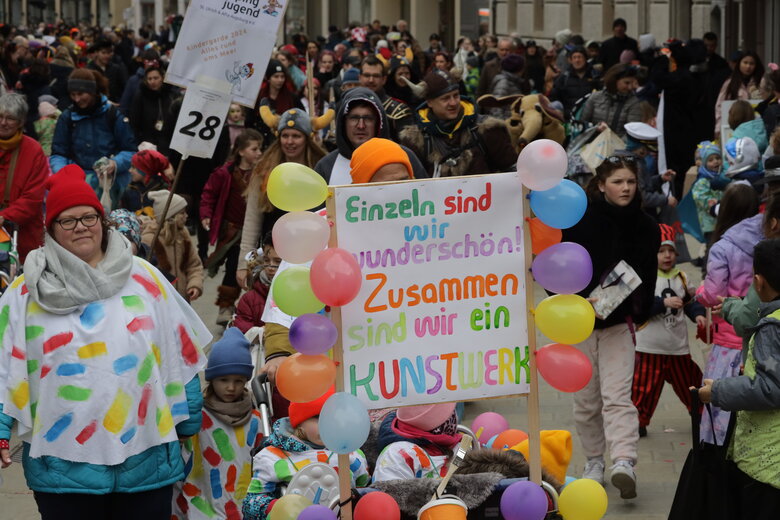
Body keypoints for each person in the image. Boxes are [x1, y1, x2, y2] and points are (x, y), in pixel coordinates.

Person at [0, 165, 211, 519]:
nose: (81, 226)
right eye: (68, 220)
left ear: (103, 221)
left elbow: (178, 349)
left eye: (89, 217)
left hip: (147, 458)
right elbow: (4, 365)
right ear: (51, 229)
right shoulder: (26, 292)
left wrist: (188, 414)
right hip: (64, 467)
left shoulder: (144, 277)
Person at [561, 154, 660, 499]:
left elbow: (646, 277)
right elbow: (559, 264)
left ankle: (623, 461)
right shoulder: (580, 221)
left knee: (617, 397)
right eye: (618, 181)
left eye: (631, 181)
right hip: (579, 323)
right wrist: (577, 301)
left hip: (620, 325)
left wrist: (626, 305)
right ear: (601, 185)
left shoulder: (646, 226)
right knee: (586, 401)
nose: (626, 188)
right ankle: (594, 461)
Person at [696, 238, 780, 515]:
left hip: (768, 465)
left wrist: (719, 391)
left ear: (758, 282)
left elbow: (771, 388)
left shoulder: (771, 328)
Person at [172, 328, 264, 520]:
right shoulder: (198, 417)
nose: (231, 387)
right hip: (199, 504)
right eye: (224, 380)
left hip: (240, 505)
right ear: (212, 379)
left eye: (239, 381)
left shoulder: (255, 419)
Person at [695, 182, 761, 444]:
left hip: (729, 339)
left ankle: (720, 446)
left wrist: (699, 292)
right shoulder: (769, 240)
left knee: (720, 400)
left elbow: (713, 293)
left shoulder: (723, 247)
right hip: (761, 333)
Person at [241, 388, 370, 520]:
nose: (329, 424)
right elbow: (251, 502)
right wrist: (276, 507)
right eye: (319, 418)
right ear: (299, 423)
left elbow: (364, 485)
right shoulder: (273, 457)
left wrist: (358, 496)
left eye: (335, 418)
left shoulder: (352, 453)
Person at [237, 109, 327, 290]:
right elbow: (252, 220)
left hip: (310, 257)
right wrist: (242, 263)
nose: (290, 141)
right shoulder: (264, 170)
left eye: (296, 136)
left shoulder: (321, 169)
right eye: (285, 135)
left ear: (307, 138)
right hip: (272, 260)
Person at [632, 224, 706, 437]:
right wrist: (663, 302)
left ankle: (701, 412)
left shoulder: (682, 277)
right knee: (643, 388)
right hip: (649, 345)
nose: (667, 256)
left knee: (690, 381)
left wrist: (698, 314)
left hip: (677, 346)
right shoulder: (645, 278)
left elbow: (691, 301)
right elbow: (640, 308)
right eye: (661, 251)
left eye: (670, 251)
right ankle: (638, 421)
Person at [400, 69, 517, 178]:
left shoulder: (487, 129)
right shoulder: (415, 140)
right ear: (430, 102)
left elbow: (512, 171)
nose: (453, 103)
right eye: (445, 98)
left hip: (485, 198)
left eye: (456, 95)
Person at [201, 129, 264, 325]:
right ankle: (226, 307)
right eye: (254, 149)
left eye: (260, 148)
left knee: (258, 270)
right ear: (241, 151)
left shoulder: (262, 174)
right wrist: (206, 215)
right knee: (232, 268)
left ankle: (255, 309)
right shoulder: (224, 173)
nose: (259, 153)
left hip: (257, 232)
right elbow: (208, 194)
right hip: (232, 232)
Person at [50, 68, 136, 209]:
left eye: (81, 94)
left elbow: (130, 151)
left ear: (93, 92)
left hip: (112, 187)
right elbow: (58, 154)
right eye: (73, 94)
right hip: (78, 186)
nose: (77, 99)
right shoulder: (67, 118)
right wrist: (65, 175)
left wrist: (114, 164)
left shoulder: (112, 115)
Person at [313, 87, 427, 185]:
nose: (361, 125)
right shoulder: (326, 166)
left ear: (378, 122)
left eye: (368, 118)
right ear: (343, 122)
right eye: (354, 118)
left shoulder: (405, 157)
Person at [0, 93, 49, 260]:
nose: (3, 123)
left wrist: (5, 216)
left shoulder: (33, 150)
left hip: (23, 235)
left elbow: (33, 198)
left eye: (10, 118)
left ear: (21, 122)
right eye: (0, 116)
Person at [373, 402, 462, 482]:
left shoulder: (460, 445)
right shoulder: (397, 455)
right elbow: (391, 493)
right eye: (448, 413)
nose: (454, 416)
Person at [142, 190, 204, 303]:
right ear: (170, 216)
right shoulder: (150, 239)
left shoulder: (183, 235)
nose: (186, 215)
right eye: (182, 213)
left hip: (183, 300)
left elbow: (194, 265)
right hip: (161, 303)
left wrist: (194, 284)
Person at [580, 63, 642, 138]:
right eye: (627, 83)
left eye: (632, 83)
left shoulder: (633, 102)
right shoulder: (595, 97)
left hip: (620, 147)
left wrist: (615, 141)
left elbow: (633, 132)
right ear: (614, 80)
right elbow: (582, 124)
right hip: (593, 145)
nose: (630, 87)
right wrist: (596, 129)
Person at [359, 55, 415, 138]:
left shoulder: (398, 111)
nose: (371, 80)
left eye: (376, 76)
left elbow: (408, 147)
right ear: (360, 78)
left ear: (384, 80)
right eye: (367, 75)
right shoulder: (348, 105)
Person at [233, 233, 278, 333]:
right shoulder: (249, 299)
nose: (271, 267)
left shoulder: (302, 293)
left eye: (278, 261)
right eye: (266, 260)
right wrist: (261, 333)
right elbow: (241, 327)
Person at [714, 51, 764, 138]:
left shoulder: (762, 83)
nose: (748, 66)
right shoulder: (730, 83)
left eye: (751, 63)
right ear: (739, 63)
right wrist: (718, 128)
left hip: (756, 128)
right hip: (734, 128)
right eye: (745, 63)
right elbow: (720, 107)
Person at [129, 62, 175, 147]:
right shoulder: (140, 96)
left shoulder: (170, 95)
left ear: (162, 78)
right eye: (149, 79)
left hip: (167, 142)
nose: (152, 82)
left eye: (156, 78)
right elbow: (134, 122)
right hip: (147, 143)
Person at [690, 141, 728, 244]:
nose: (715, 161)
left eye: (718, 158)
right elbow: (700, 198)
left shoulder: (724, 177)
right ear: (704, 163)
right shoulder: (702, 181)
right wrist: (715, 203)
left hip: (724, 221)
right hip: (710, 225)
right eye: (710, 160)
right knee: (713, 247)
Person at [550, 46, 600, 119]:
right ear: (571, 60)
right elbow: (554, 97)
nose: (577, 60)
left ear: (585, 59)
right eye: (574, 57)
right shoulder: (564, 78)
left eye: (580, 57)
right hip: (568, 118)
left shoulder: (594, 77)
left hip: (588, 118)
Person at [122, 148, 172, 214]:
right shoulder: (129, 190)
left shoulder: (163, 190)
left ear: (145, 169)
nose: (130, 170)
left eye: (133, 167)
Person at [86, 38, 128, 103]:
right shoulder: (89, 70)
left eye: (109, 53)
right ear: (96, 53)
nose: (107, 56)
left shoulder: (116, 69)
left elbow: (123, 88)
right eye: (103, 53)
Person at [489, 54, 530, 118]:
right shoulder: (504, 82)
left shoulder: (513, 81)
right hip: (506, 122)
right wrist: (502, 125)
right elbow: (496, 107)